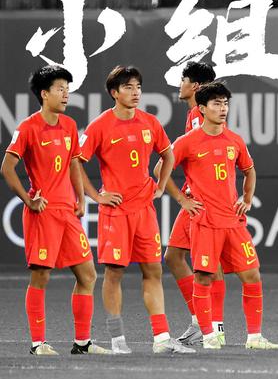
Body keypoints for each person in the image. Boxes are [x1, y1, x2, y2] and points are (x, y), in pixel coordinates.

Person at [78, 65, 192, 354]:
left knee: (153, 270)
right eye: (128, 87)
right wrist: (96, 196)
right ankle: (117, 341)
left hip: (144, 210)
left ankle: (161, 338)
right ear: (114, 93)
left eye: (138, 87)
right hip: (116, 212)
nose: (135, 92)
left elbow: (168, 155)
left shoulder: (150, 122)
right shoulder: (100, 125)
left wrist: (161, 186)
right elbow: (75, 162)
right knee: (114, 273)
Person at [0, 65, 109, 355]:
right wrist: (28, 200)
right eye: (60, 89)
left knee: (88, 275)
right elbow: (7, 167)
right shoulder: (28, 127)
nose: (65, 94)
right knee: (41, 276)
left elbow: (74, 163)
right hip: (43, 212)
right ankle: (38, 343)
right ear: (44, 93)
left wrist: (81, 198)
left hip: (68, 211)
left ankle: (83, 343)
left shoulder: (70, 125)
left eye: (67, 89)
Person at [171, 81, 278, 350]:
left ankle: (254, 337)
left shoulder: (234, 140)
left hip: (233, 222)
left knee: (252, 275)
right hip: (205, 222)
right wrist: (183, 200)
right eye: (217, 104)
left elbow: (249, 170)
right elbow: (161, 170)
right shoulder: (187, 141)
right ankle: (210, 335)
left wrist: (247, 198)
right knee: (203, 278)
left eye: (225, 103)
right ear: (202, 108)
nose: (223, 109)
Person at [159, 62, 227, 346]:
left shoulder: (201, 117)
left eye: (183, 79)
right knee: (176, 257)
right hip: (198, 196)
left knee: (206, 263)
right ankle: (205, 322)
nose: (180, 85)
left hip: (203, 200)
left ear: (195, 86)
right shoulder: (194, 116)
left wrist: (184, 196)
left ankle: (212, 326)